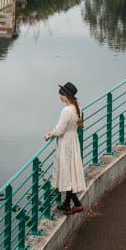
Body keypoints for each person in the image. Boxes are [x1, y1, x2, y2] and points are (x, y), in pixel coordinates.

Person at [44, 81, 87, 214]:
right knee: (69, 170)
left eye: (61, 94)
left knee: (66, 172)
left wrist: (50, 134)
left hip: (66, 143)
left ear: (67, 95)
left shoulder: (66, 110)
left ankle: (78, 204)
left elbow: (60, 129)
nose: (60, 97)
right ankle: (67, 204)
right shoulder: (76, 108)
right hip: (73, 141)